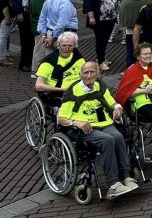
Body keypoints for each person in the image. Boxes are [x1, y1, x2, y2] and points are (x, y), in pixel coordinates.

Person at [57, 61, 139, 199]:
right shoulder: (73, 91)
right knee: (107, 140)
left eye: (92, 72)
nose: (89, 75)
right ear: (80, 74)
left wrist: (118, 108)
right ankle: (113, 184)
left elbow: (112, 103)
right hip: (84, 129)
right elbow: (61, 118)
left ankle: (126, 176)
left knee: (118, 136)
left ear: (98, 73)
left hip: (103, 122)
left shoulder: (100, 87)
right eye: (85, 72)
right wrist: (76, 122)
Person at [34, 0, 79, 72]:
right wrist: (52, 39)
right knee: (67, 65)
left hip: (50, 34)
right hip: (65, 36)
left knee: (51, 63)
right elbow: (61, 24)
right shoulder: (65, 3)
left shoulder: (49, 0)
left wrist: (44, 36)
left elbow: (42, 20)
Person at [82, 0, 119, 72]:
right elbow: (88, 2)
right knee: (100, 39)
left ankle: (102, 56)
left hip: (111, 18)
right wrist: (91, 17)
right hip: (100, 19)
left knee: (105, 38)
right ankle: (100, 61)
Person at [34, 31, 84, 106]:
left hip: (78, 93)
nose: (67, 48)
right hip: (57, 94)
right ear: (58, 45)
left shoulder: (79, 59)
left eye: (70, 46)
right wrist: (63, 89)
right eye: (64, 45)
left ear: (74, 46)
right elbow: (38, 86)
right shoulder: (48, 62)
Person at [119, 0, 152, 70]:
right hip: (147, 32)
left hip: (130, 31)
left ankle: (131, 73)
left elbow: (121, 16)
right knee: (147, 54)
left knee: (131, 54)